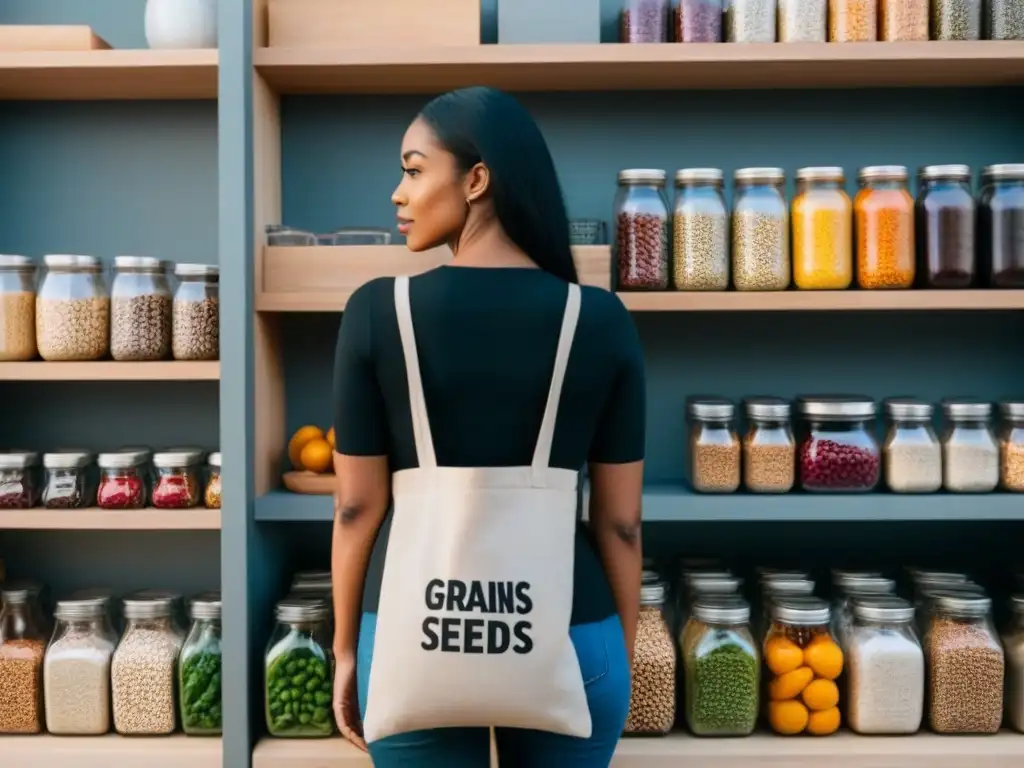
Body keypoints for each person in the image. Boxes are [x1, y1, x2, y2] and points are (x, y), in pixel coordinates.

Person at [330, 85, 645, 768]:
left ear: (476, 180)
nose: (397, 192)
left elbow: (357, 506)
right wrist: (619, 648)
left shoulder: (377, 313)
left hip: (412, 629)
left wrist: (348, 647)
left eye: (414, 169)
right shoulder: (598, 319)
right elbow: (620, 524)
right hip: (573, 629)